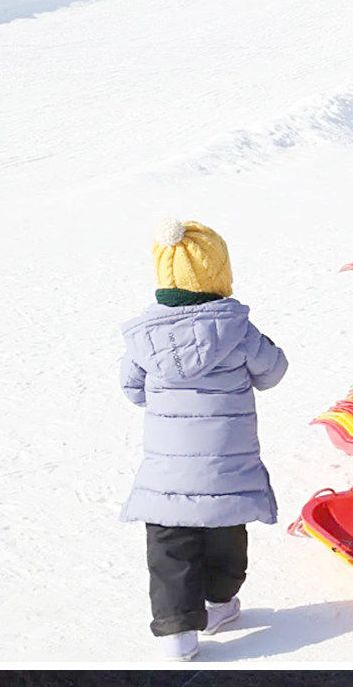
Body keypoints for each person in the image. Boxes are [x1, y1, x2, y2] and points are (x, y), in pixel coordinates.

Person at [119, 220, 288, 661]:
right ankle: (220, 603)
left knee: (170, 547)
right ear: (218, 275)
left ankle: (177, 633)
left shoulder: (142, 339)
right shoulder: (238, 330)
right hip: (226, 468)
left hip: (166, 473)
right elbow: (273, 371)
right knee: (224, 533)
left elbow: (132, 389)